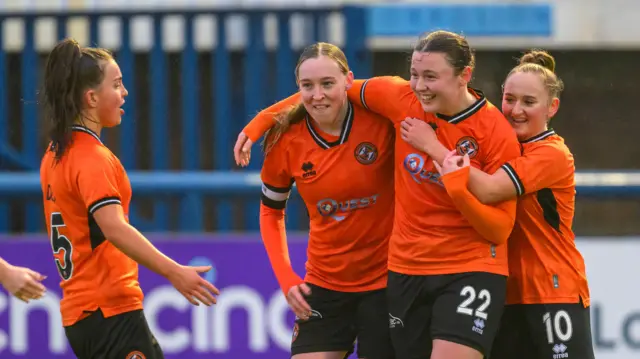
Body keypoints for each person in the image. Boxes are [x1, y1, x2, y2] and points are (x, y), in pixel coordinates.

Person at [236, 31, 521, 359]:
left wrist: (444, 163)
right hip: (350, 279)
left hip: (410, 277)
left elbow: (499, 224)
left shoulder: (391, 117)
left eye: (430, 76)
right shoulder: (391, 102)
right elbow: (272, 210)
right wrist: (259, 123)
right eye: (415, 75)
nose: (419, 85)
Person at [403, 50, 595, 359]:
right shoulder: (496, 143)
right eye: (509, 99)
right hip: (503, 291)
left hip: (550, 288)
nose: (516, 110)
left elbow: (492, 189)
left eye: (529, 102)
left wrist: (432, 147)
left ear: (552, 107)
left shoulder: (552, 154)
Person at [39, 38, 219, 359]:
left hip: (82, 315)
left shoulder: (54, 154)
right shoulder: (92, 157)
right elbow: (114, 228)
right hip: (109, 311)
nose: (124, 93)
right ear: (91, 97)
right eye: (117, 84)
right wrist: (174, 272)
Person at [256, 42, 396, 359]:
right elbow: (270, 213)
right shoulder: (285, 140)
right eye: (308, 86)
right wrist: (286, 278)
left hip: (387, 283)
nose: (317, 95)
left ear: (349, 81)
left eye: (327, 84)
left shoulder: (379, 119)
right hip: (324, 284)